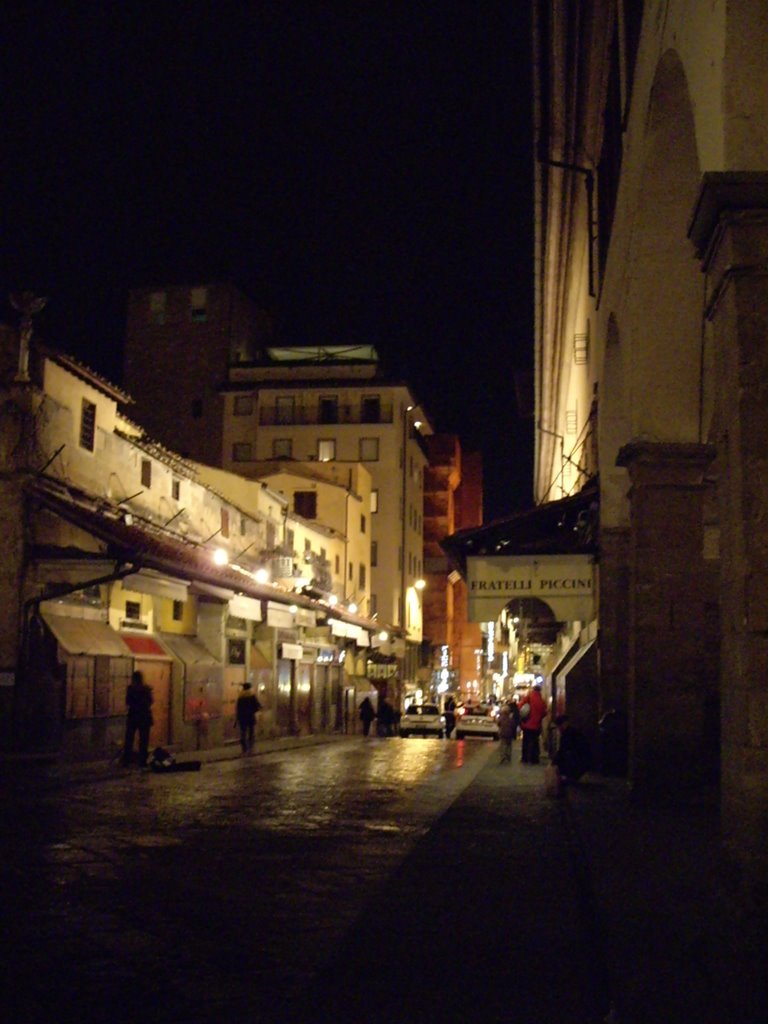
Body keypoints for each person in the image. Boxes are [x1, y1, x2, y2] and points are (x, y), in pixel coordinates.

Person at [123, 670, 153, 767]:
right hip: (144, 716)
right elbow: (150, 701)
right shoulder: (146, 689)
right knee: (144, 740)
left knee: (129, 739)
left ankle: (127, 759)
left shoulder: (131, 689)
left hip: (133, 716)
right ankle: (142, 760)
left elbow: (128, 702)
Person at [552, 714, 592, 783]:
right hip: (583, 757)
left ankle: (570, 776)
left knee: (564, 758)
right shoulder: (572, 732)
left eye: (559, 726)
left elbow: (563, 750)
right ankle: (571, 776)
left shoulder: (568, 734)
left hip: (579, 759)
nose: (559, 729)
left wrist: (554, 762)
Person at [519, 681, 548, 765]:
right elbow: (544, 712)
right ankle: (534, 758)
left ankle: (525, 758)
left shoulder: (529, 697)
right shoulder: (541, 700)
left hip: (527, 724)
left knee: (526, 741)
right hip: (536, 725)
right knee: (535, 742)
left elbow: (520, 706)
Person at [235, 682, 261, 755]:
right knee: (251, 732)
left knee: (243, 733)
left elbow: (238, 708)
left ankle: (244, 749)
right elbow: (257, 706)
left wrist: (238, 717)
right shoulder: (252, 696)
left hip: (242, 717)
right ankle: (251, 748)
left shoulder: (240, 697)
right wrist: (253, 711)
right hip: (250, 717)